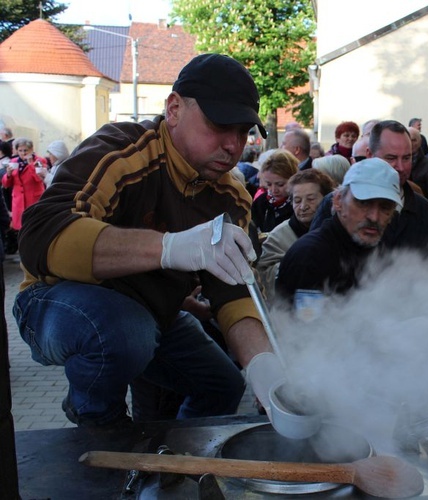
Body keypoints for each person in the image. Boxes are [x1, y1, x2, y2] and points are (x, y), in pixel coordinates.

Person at [11, 53, 283, 428]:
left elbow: (235, 291)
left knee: (221, 385)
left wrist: (265, 368)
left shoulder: (231, 196)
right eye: (220, 124)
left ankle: (176, 458)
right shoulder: (122, 150)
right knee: (124, 331)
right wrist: (170, 248)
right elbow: (40, 237)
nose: (234, 145)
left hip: (152, 318)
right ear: (173, 108)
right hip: (51, 304)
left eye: (243, 131)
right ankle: (97, 423)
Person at [276, 158, 402, 303]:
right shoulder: (310, 255)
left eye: (385, 207)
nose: (374, 217)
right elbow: (305, 323)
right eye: (364, 203)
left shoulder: (381, 247)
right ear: (338, 201)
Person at [311, 120, 428, 250]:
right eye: (391, 158)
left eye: (406, 158)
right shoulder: (335, 203)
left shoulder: (426, 212)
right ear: (369, 155)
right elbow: (316, 253)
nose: (400, 167)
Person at [256, 168, 335, 304]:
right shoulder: (279, 236)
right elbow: (264, 277)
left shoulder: (337, 230)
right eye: (297, 201)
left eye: (311, 199)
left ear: (327, 199)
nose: (303, 206)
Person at [2, 138, 47, 233]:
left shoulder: (39, 161)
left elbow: (39, 179)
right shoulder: (13, 161)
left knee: (34, 228)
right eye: (20, 150)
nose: (23, 153)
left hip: (33, 200)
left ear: (31, 149)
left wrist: (31, 165)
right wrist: (8, 174)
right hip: (18, 202)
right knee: (21, 230)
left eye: (25, 150)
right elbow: (6, 184)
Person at [251, 148, 299, 234]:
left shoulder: (299, 203)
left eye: (280, 184)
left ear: (293, 178)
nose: (274, 190)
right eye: (269, 184)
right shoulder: (261, 202)